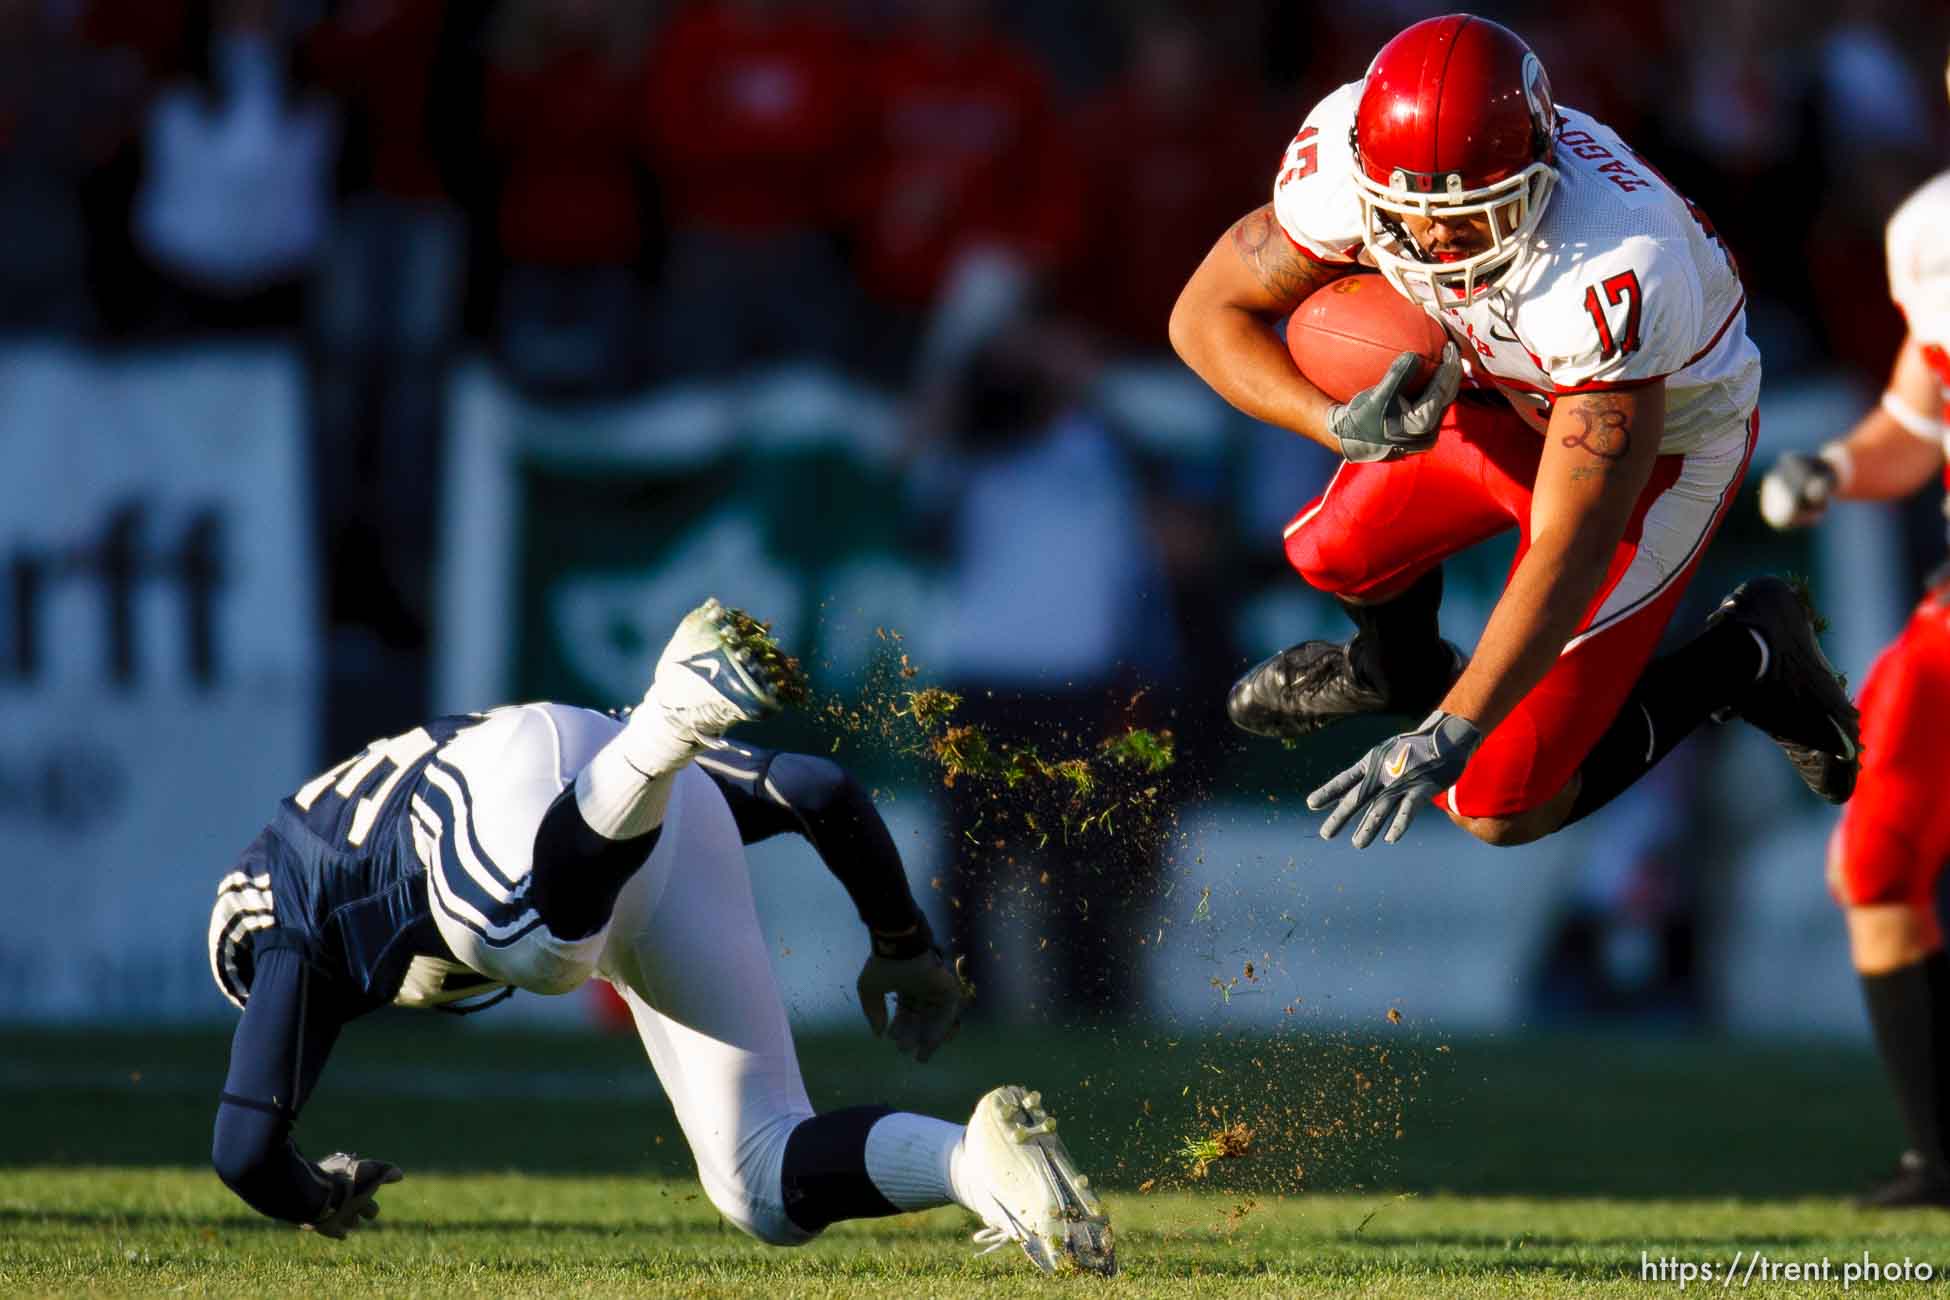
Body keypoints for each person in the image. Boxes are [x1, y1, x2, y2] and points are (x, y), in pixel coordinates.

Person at [206, 599, 1115, 1274]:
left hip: (529, 789)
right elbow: (813, 788)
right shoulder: (358, 853)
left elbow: (243, 1152)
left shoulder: (290, 907)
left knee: (526, 944)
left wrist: (316, 1194)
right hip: (598, 787)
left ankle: (665, 719)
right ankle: (979, 1164)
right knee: (759, 1182)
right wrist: (903, 939)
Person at [1169, 12, 1859, 850]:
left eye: (1474, 217)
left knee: (1497, 806)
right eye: (1408, 215)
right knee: (1333, 551)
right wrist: (1331, 422)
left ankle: (1747, 656)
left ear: (1542, 170)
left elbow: (1569, 545)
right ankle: (1398, 670)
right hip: (1505, 390)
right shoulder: (1341, 164)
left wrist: (1452, 729)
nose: (1436, 240)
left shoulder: (1615, 262)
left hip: (1658, 455)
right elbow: (1205, 315)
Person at [1754, 51, 1950, 1206]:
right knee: (1876, 852)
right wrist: (1835, 465)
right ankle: (1941, 1156)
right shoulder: (1929, 229)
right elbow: (1916, 420)